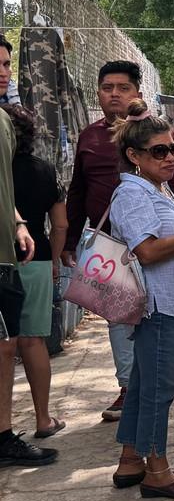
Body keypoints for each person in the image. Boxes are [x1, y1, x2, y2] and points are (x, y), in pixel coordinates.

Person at [68, 60, 174, 422]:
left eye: (123, 88)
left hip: (152, 239)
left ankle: (142, 388)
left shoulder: (156, 134)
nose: (115, 94)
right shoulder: (89, 137)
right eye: (108, 88)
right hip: (110, 245)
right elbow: (77, 189)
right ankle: (129, 387)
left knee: (150, 317)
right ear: (99, 93)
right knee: (118, 316)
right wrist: (69, 240)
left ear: (137, 93)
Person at [108, 99, 174, 500]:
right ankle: (158, 470)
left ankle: (131, 459)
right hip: (154, 305)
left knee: (145, 381)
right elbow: (146, 250)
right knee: (160, 387)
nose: (170, 157)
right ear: (134, 156)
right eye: (159, 151)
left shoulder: (156, 188)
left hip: (163, 303)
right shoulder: (133, 193)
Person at [0, 41, 56, 466]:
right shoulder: (42, 169)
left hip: (13, 254)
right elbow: (63, 217)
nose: (4, 72)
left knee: (8, 344)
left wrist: (18, 223)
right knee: (22, 341)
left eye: (6, 64)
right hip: (23, 260)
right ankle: (28, 422)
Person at [4, 105, 69, 439]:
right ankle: (43, 418)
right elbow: (60, 224)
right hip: (38, 260)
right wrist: (55, 260)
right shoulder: (46, 171)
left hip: (4, 258)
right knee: (32, 340)